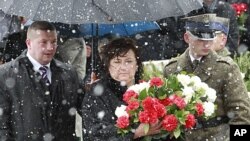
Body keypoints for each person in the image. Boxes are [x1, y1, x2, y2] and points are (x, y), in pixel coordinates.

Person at [163, 14, 250, 141]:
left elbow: (241, 113)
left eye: (210, 39)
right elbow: (167, 112)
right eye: (200, 39)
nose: (206, 45)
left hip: (219, 136)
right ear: (187, 37)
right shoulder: (172, 69)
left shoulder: (226, 68)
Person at [0, 21, 82, 140]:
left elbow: (86, 108)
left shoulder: (69, 73)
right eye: (43, 42)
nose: (50, 47)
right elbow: (2, 126)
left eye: (54, 42)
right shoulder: (5, 75)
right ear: (29, 43)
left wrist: (95, 90)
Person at [81, 38, 163, 140]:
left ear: (136, 65)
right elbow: (96, 132)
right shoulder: (96, 93)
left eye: (128, 61)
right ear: (108, 66)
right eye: (117, 62)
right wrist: (135, 132)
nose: (123, 67)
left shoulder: (148, 90)